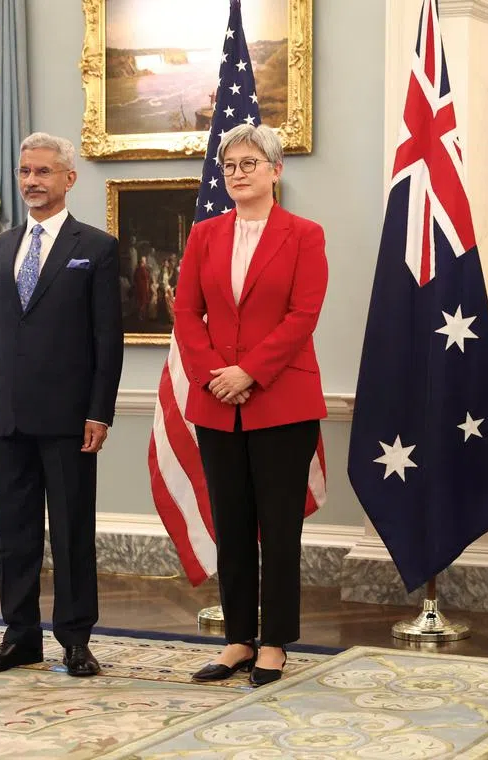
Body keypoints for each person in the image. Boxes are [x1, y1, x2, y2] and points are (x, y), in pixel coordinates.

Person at [0, 132, 124, 678]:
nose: (32, 181)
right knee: (14, 534)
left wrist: (100, 411)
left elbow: (108, 341)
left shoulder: (96, 248)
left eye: (43, 172)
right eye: (25, 171)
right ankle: (20, 637)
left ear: (68, 178)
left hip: (69, 419)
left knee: (73, 531)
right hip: (5, 415)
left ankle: (76, 640)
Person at [174, 123, 327, 687]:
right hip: (216, 401)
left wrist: (249, 373)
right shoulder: (205, 236)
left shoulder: (304, 234)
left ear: (275, 171)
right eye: (230, 165)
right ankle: (238, 640)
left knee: (279, 528)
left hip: (282, 402)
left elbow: (302, 316)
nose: (238, 173)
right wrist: (214, 376)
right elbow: (186, 311)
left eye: (249, 164)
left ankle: (274, 644)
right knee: (231, 525)